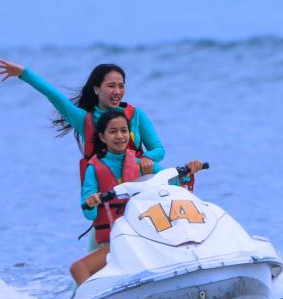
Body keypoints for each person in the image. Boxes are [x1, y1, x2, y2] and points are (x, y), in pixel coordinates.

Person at [70, 110, 204, 286]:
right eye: (113, 131)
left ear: (130, 133)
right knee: (78, 268)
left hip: (147, 237)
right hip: (117, 243)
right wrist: (91, 201)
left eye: (124, 130)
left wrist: (189, 171)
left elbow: (172, 184)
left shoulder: (142, 163)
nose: (120, 136)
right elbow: (89, 213)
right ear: (102, 137)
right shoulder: (94, 168)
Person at [0, 59, 165, 176]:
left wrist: (147, 158)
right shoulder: (84, 120)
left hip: (142, 180)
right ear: (96, 89)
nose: (117, 91)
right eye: (111, 86)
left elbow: (158, 149)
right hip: (108, 191)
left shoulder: (136, 115)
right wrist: (24, 73)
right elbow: (55, 96)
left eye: (121, 86)